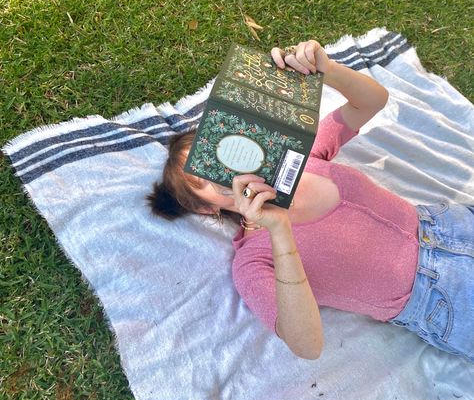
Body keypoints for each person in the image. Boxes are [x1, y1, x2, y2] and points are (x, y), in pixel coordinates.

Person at [147, 40, 474, 363]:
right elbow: (305, 343)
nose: (217, 173)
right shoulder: (252, 261)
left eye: (211, 155)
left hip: (451, 224)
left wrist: (327, 71)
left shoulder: (298, 157)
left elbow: (373, 100)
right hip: (440, 296)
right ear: (205, 207)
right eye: (202, 179)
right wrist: (279, 230)